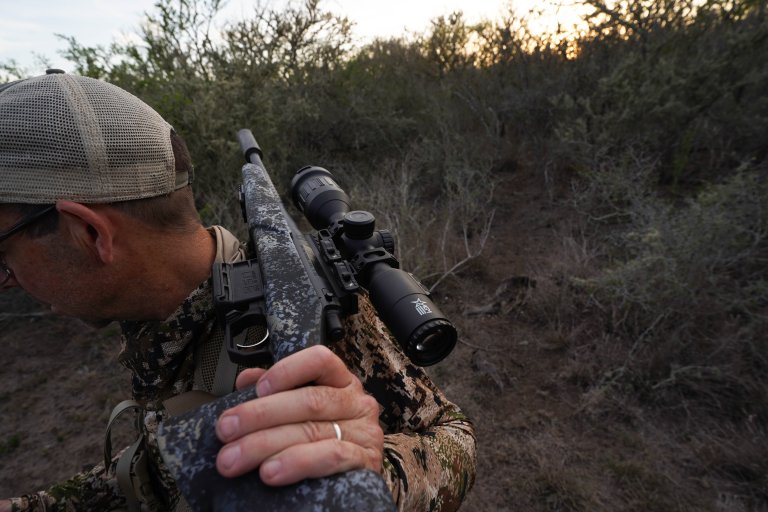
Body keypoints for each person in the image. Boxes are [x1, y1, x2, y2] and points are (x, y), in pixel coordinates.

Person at [0, 70, 476, 511]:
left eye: (2, 255)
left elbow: (451, 436)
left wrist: (359, 471)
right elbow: (159, 477)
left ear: (90, 234)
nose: (8, 280)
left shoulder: (297, 302)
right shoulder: (155, 320)